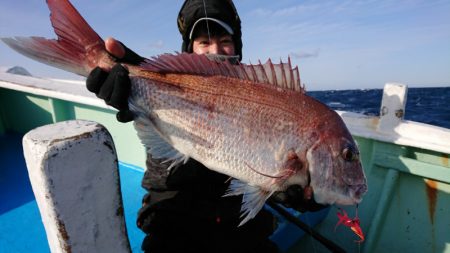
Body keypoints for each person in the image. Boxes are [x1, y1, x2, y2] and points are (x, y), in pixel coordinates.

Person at [86, 1, 326, 252]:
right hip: (175, 225)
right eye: (203, 42)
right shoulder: (167, 85)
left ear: (237, 46)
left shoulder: (265, 97)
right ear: (189, 50)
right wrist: (137, 89)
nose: (215, 50)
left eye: (224, 39)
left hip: (240, 231)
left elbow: (265, 176)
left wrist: (310, 193)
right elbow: (163, 171)